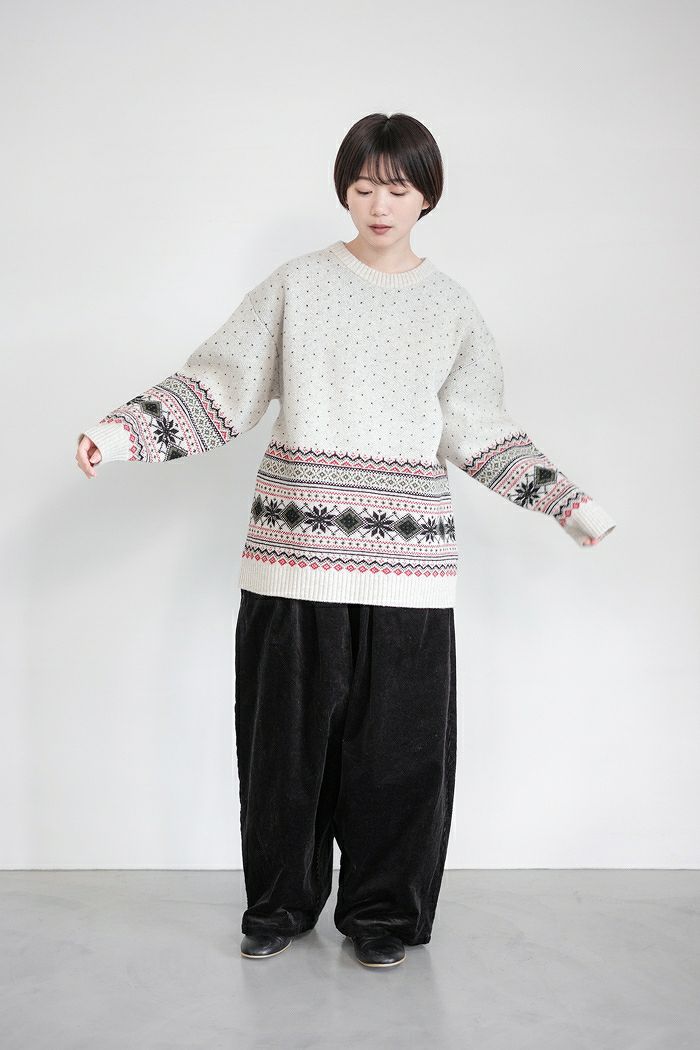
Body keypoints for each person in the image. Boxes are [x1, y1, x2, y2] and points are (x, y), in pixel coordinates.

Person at [75, 112, 616, 969]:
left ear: (427, 195)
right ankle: (277, 908)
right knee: (283, 755)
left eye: (397, 189)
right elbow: (221, 384)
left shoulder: (451, 308)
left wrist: (565, 502)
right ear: (345, 192)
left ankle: (382, 917)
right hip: (291, 563)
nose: (379, 205)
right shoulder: (297, 286)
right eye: (363, 187)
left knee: (400, 758)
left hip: (410, 573)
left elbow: (480, 428)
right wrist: (120, 434)